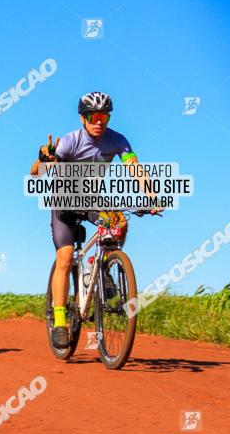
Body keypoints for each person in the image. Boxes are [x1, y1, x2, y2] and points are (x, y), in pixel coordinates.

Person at [31, 91, 157, 348]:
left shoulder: (117, 140)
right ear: (82, 118)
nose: (99, 121)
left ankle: (108, 265)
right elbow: (36, 174)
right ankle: (59, 321)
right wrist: (43, 160)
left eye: (104, 116)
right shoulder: (70, 141)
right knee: (65, 258)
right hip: (64, 202)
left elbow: (134, 167)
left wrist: (151, 194)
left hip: (90, 198)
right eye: (93, 117)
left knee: (119, 220)